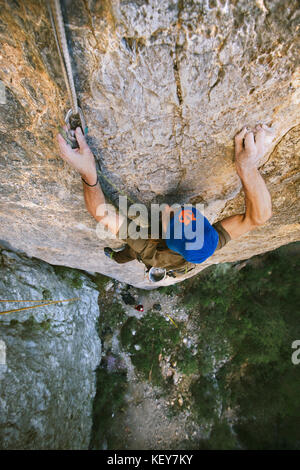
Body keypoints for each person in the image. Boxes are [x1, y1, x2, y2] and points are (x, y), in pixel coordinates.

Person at [57, 123, 273, 277]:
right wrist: (246, 167)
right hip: (181, 263)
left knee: (127, 253)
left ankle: (113, 257)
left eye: (170, 217)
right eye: (183, 212)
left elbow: (100, 212)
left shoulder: (149, 250)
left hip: (148, 254)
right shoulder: (206, 243)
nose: (169, 207)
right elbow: (258, 218)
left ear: (167, 235)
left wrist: (88, 174)